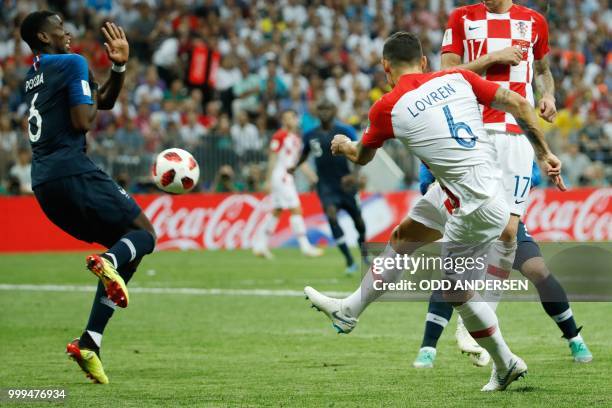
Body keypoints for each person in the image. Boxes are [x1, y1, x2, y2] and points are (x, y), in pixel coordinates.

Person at [304, 31, 564, 391]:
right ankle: (349, 310)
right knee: (403, 237)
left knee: (453, 290)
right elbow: (520, 104)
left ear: (385, 68)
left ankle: (504, 363)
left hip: (475, 206)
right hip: (478, 189)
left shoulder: (387, 107)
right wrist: (543, 153)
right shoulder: (457, 77)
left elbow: (361, 157)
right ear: (424, 62)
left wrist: (343, 145)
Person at [414, 0, 592, 366]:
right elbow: (448, 74)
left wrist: (547, 94)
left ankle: (486, 328)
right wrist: (492, 57)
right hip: (472, 133)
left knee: (510, 235)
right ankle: (432, 345)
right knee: (459, 250)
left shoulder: (534, 21)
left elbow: (541, 69)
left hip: (515, 135)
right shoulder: (462, 17)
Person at [20, 11, 157, 384]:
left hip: (45, 186)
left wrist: (119, 67)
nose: (66, 32)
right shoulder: (71, 62)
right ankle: (109, 260)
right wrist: (92, 81)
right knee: (144, 234)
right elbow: (84, 121)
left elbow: (104, 103)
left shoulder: (32, 77)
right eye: (58, 27)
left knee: (127, 243)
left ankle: (90, 342)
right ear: (43, 37)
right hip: (72, 171)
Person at [291, 99, 367, 274]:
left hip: (345, 183)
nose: (324, 112)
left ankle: (364, 253)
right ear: (317, 112)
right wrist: (294, 167)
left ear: (334, 111)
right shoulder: (310, 134)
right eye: (321, 109)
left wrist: (354, 176)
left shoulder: (345, 130)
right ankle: (349, 260)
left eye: (327, 109)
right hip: (325, 185)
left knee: (358, 221)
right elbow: (304, 154)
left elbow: (359, 150)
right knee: (332, 217)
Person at [253, 110, 322, 259]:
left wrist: (313, 177)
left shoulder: (295, 138)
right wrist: (268, 180)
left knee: (277, 211)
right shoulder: (279, 136)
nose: (289, 121)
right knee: (296, 209)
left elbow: (299, 162)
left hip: (286, 178)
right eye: (286, 118)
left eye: (291, 117)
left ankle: (260, 245)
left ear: (296, 119)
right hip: (281, 177)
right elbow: (273, 157)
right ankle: (305, 247)